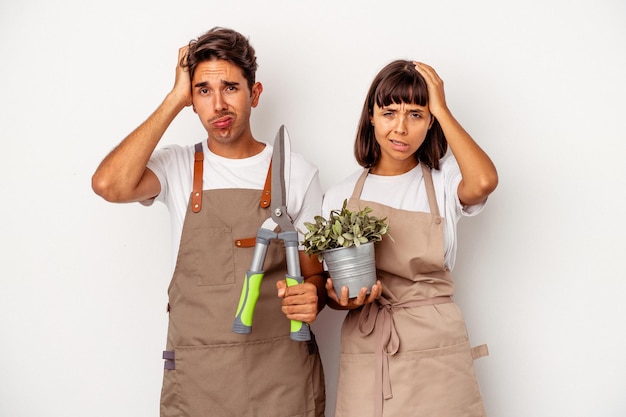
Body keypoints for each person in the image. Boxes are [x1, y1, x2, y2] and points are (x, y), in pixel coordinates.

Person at [91, 27, 326, 417]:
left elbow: (315, 275)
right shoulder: (177, 166)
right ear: (192, 99)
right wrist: (172, 99)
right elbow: (108, 184)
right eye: (203, 91)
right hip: (200, 380)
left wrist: (312, 294)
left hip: (282, 379)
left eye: (230, 88)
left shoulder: (297, 173)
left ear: (255, 93)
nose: (218, 105)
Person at [322, 60, 498, 417]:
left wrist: (443, 108)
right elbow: (336, 290)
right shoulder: (339, 195)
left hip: (436, 347)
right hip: (370, 344)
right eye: (389, 112)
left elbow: (483, 183)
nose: (400, 128)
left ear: (430, 120)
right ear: (370, 116)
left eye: (416, 114)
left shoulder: (444, 181)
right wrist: (344, 300)